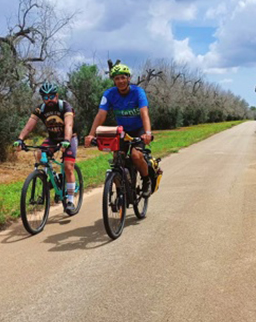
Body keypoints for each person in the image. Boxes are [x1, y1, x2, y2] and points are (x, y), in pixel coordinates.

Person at [84, 63, 152, 197]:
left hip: (138, 130)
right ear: (113, 81)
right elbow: (101, 115)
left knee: (136, 156)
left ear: (128, 78)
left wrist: (147, 133)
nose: (120, 81)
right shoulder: (109, 94)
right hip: (122, 131)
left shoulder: (138, 92)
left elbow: (144, 113)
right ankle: (121, 191)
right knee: (117, 160)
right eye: (117, 79)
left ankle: (146, 180)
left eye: (123, 77)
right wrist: (91, 135)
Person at [14, 81, 78, 214]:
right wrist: (20, 139)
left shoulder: (64, 106)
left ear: (57, 95)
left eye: (51, 96)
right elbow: (29, 125)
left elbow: (69, 125)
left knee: (68, 166)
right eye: (45, 97)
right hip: (53, 138)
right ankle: (51, 177)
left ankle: (71, 201)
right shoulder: (40, 109)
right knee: (39, 153)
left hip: (69, 138)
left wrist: (66, 140)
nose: (49, 99)